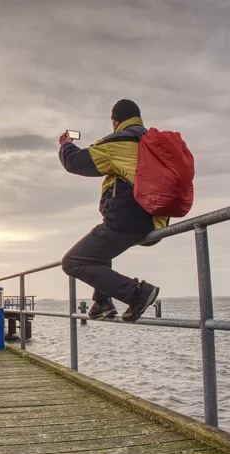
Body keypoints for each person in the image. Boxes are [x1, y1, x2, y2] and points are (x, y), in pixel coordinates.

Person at [58, 99, 168, 322]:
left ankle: (138, 292)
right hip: (157, 218)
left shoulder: (120, 141)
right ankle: (103, 302)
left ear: (115, 121)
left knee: (72, 261)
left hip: (129, 220)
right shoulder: (153, 143)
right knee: (97, 249)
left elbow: (75, 162)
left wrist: (66, 145)